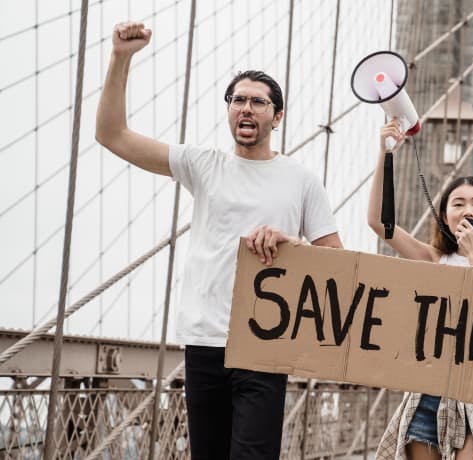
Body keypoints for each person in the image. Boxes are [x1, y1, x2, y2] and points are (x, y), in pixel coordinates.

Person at [95, 22, 342, 459]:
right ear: (229, 110)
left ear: (277, 116)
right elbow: (112, 136)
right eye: (238, 100)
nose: (246, 109)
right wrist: (120, 58)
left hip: (266, 343)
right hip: (204, 341)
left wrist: (290, 243)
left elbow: (336, 262)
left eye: (258, 102)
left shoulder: (302, 180)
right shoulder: (203, 165)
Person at [370, 119, 473, 460]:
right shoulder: (434, 258)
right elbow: (380, 223)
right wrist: (386, 154)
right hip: (429, 393)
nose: (468, 210)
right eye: (457, 203)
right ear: (444, 215)